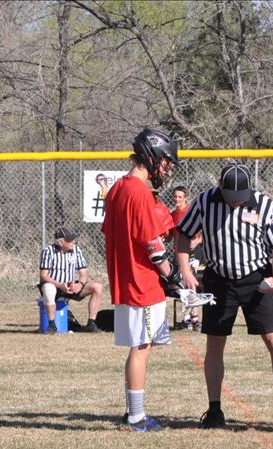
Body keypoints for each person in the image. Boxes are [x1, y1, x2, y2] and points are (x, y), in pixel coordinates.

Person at [176, 162, 273, 430]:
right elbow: (183, 235)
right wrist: (185, 269)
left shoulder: (263, 204)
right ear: (220, 187)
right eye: (231, 198)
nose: (235, 203)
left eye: (240, 198)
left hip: (256, 279)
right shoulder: (205, 202)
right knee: (215, 343)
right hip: (219, 278)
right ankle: (214, 409)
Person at [102, 127, 179, 432]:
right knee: (142, 347)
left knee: (139, 345)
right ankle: (136, 416)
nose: (166, 169)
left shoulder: (117, 189)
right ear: (152, 157)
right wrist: (172, 275)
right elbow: (152, 245)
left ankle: (132, 412)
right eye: (165, 161)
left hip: (127, 280)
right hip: (141, 282)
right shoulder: (138, 192)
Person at [38, 227, 104, 334]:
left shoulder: (76, 250)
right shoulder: (48, 251)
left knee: (97, 287)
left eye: (73, 239)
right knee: (48, 289)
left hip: (71, 286)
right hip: (55, 285)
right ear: (60, 242)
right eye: (69, 240)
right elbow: (43, 276)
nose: (73, 241)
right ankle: (52, 325)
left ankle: (91, 324)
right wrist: (60, 285)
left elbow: (83, 273)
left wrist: (80, 284)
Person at [169, 185, 203, 331]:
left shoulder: (190, 212)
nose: (177, 199)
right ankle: (187, 318)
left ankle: (195, 319)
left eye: (180, 197)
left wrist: (198, 241)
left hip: (193, 253)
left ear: (185, 198)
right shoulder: (172, 215)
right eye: (175, 196)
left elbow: (204, 229)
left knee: (192, 282)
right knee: (182, 285)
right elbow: (170, 235)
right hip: (178, 254)